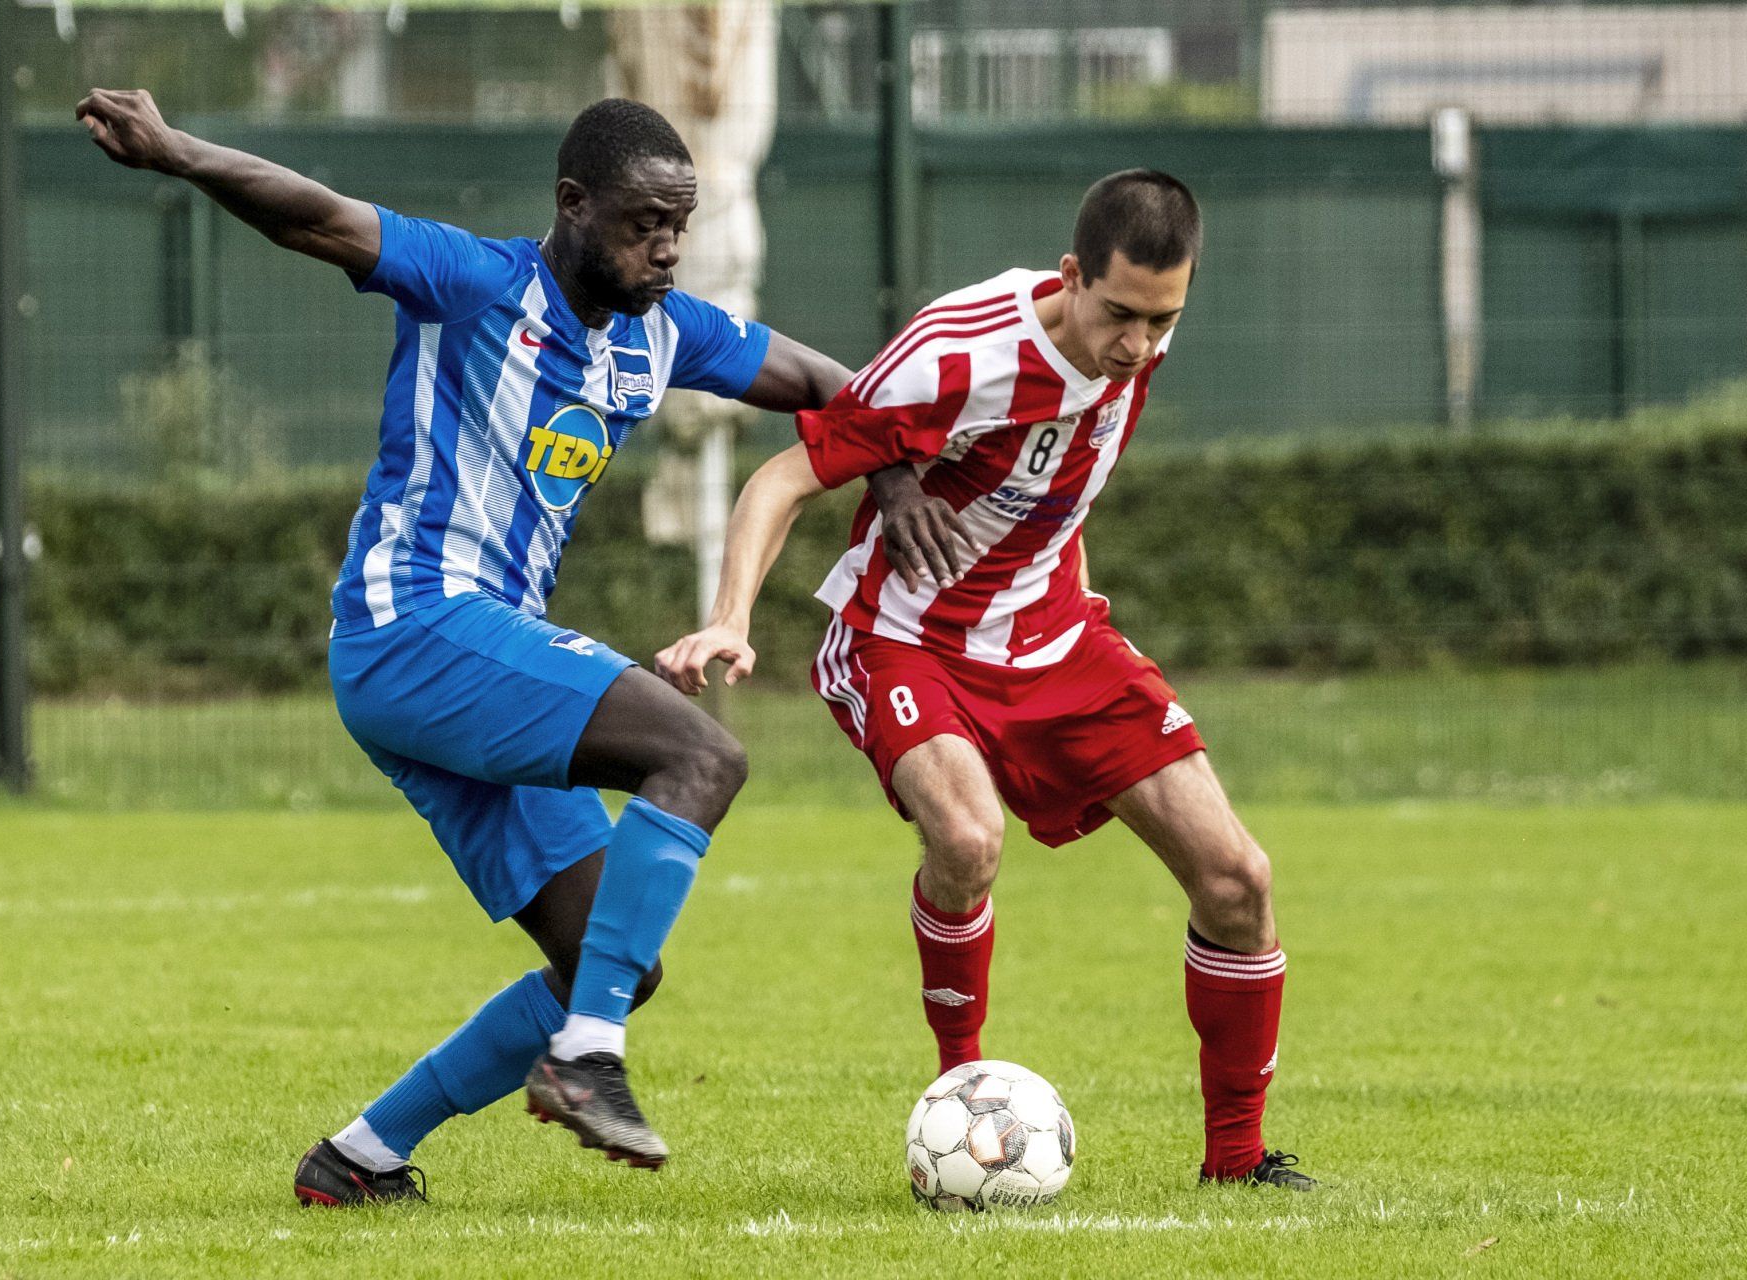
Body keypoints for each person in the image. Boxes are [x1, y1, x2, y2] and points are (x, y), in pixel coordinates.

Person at [76, 90, 861, 1201]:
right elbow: (316, 216)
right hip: (415, 624)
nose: (667, 248)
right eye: (644, 223)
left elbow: (835, 392)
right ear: (573, 204)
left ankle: (358, 1159)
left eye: (679, 225)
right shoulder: (477, 282)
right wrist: (178, 152)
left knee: (610, 962)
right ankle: (586, 1060)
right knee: (702, 757)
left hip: (467, 655)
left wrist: (906, 466)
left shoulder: (666, 332)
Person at [656, 170, 1316, 1189]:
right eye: (1121, 315)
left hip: (1055, 638)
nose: (1139, 344)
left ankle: (1237, 1162)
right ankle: (959, 1087)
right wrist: (730, 619)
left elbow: (1059, 482)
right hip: (906, 637)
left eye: (1164, 320)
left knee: (1240, 880)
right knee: (967, 837)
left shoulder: (1140, 336)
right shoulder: (957, 352)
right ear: (1071, 275)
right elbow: (783, 477)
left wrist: (1069, 598)